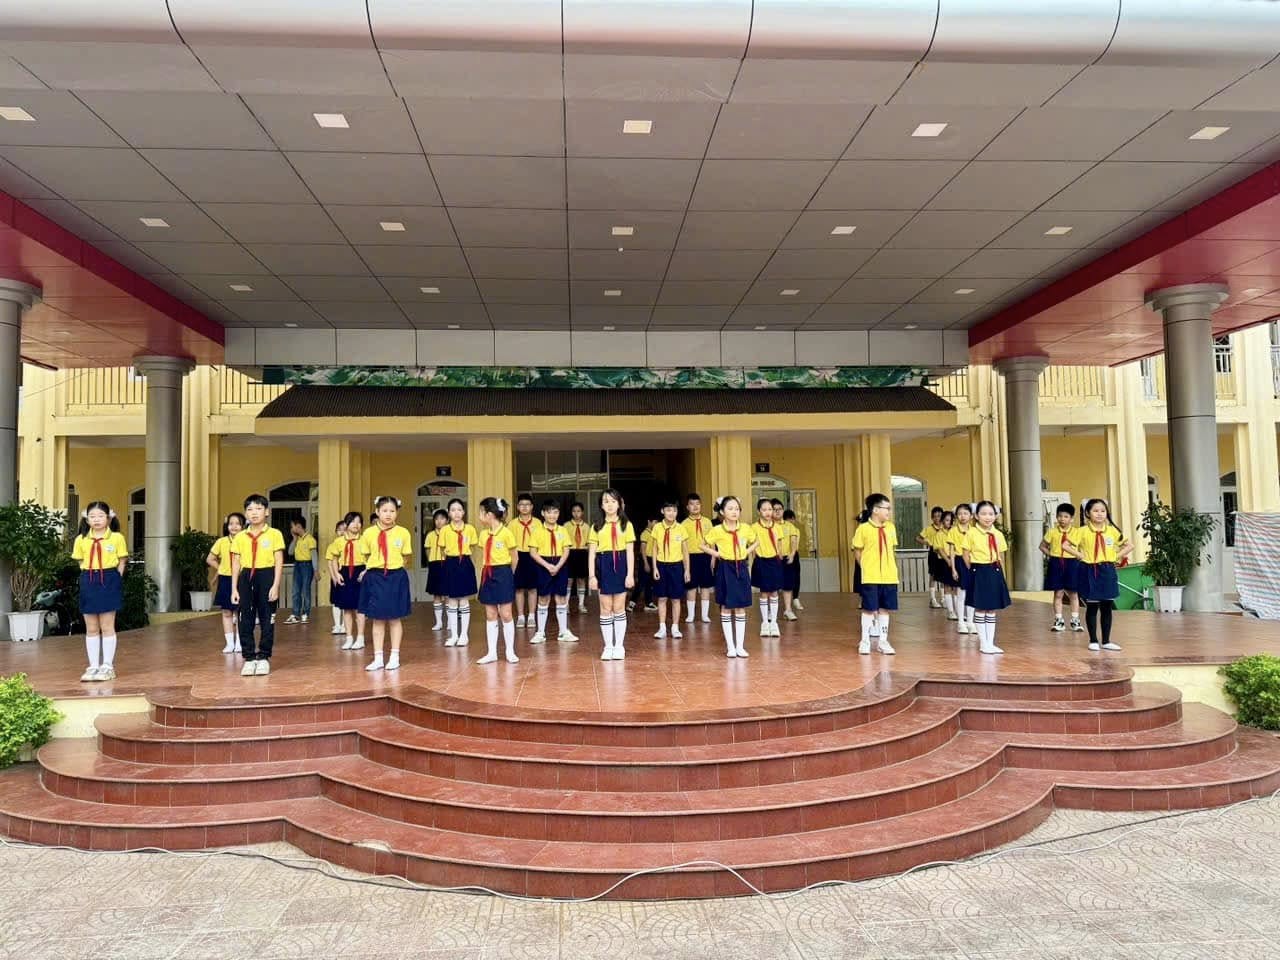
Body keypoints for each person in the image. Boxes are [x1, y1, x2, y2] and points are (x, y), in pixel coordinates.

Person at [230, 493, 285, 676]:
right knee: (244, 618)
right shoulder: (240, 537)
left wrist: (275, 585)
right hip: (246, 576)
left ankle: (263, 657)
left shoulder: (275, 534)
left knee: (267, 618)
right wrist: (234, 588)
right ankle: (249, 658)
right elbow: (235, 563)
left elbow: (279, 561)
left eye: (259, 508)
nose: (254, 513)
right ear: (246, 513)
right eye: (250, 509)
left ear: (266, 512)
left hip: (266, 575)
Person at [73, 501, 128, 682]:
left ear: (108, 518)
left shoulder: (117, 538)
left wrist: (117, 577)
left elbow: (122, 560)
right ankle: (93, 666)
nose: (96, 520)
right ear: (86, 519)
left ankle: (107, 666)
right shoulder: (81, 539)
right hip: (88, 579)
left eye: (100, 516)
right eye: (92, 516)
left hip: (109, 579)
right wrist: (89, 574)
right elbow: (80, 561)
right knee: (91, 627)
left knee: (107, 625)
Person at [359, 496, 413, 672]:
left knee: (394, 618)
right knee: (378, 618)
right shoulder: (368, 533)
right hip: (375, 577)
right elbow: (366, 555)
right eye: (384, 510)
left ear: (397, 513)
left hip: (395, 576)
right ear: (377, 512)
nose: (388, 514)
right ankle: (378, 658)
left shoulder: (403, 533)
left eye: (392, 511)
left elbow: (406, 556)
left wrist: (393, 567)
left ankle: (395, 656)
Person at [702, 495, 757, 658]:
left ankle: (740, 646)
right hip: (725, 568)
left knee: (740, 606)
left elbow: (756, 541)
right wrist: (717, 554)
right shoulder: (717, 530)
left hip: (741, 566)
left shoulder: (745, 528)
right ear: (722, 512)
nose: (734, 512)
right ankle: (730, 646)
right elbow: (702, 545)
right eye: (730, 508)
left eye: (737, 509)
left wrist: (746, 552)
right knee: (726, 606)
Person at [1077, 498, 1134, 652]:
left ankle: (1106, 641)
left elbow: (1129, 545)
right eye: (1095, 511)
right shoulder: (1081, 531)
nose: (1100, 514)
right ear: (1087, 513)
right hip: (1090, 569)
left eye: (1103, 511)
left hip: (1107, 570)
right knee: (1092, 606)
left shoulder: (1112, 531)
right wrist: (1080, 555)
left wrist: (1115, 556)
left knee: (1107, 606)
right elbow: (1066, 545)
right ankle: (1093, 640)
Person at [588, 488, 636, 661]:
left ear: (619, 504)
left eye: (613, 501)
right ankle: (608, 646)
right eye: (606, 501)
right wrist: (592, 575)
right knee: (605, 607)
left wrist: (630, 574)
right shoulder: (596, 526)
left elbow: (630, 552)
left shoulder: (627, 525)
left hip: (621, 565)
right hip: (603, 565)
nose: (610, 505)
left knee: (619, 607)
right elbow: (592, 553)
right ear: (601, 505)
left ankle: (619, 646)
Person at [850, 493, 897, 656]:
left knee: (885, 609)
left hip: (889, 576)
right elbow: (857, 551)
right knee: (869, 609)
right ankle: (865, 640)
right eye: (886, 508)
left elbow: (892, 549)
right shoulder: (863, 529)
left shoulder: (891, 528)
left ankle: (883, 641)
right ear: (875, 510)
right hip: (871, 576)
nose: (889, 512)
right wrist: (865, 567)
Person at [964, 501, 1011, 655]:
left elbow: (1001, 555)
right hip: (978, 569)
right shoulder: (971, 533)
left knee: (991, 608)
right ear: (976, 516)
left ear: (995, 516)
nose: (987, 517)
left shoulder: (998, 534)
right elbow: (965, 554)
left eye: (991, 514)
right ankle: (983, 643)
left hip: (994, 569)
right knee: (980, 606)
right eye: (983, 514)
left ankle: (990, 642)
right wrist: (974, 570)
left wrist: (1001, 574)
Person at [476, 496, 519, 664]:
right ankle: (492, 652)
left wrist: (509, 575)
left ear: (489, 515)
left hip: (503, 572)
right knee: (490, 613)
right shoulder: (483, 534)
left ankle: (510, 651)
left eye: (481, 512)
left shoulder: (507, 533)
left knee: (506, 613)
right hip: (488, 572)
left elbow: (515, 558)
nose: (479, 516)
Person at [530, 499, 576, 644]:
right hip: (543, 564)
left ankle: (563, 632)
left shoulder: (563, 530)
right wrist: (547, 566)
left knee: (561, 597)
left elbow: (566, 550)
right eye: (549, 512)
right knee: (543, 598)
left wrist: (557, 566)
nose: (552, 515)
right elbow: (533, 552)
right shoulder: (536, 531)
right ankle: (540, 632)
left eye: (555, 512)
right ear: (543, 513)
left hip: (560, 564)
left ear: (559, 514)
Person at [1040, 503, 1084, 634]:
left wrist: (1080, 556)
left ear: (1072, 519)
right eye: (1060, 516)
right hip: (1056, 563)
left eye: (1066, 516)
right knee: (1058, 593)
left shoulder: (1076, 532)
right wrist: (1052, 555)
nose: (1062, 519)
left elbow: (1082, 547)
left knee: (1073, 593)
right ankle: (1059, 620)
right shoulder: (1052, 532)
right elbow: (1042, 546)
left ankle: (1075, 620)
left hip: (1072, 563)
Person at [441, 498, 479, 647]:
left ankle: (464, 635)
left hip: (465, 563)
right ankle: (454, 635)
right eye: (453, 510)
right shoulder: (445, 530)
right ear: (449, 513)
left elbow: (473, 547)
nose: (456, 513)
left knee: (463, 599)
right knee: (451, 599)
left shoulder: (470, 529)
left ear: (463, 512)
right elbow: (442, 548)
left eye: (459, 510)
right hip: (450, 563)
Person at [650, 500, 689, 640]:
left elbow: (685, 551)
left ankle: (675, 627)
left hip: (676, 566)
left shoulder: (681, 528)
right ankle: (661, 628)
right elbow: (654, 549)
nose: (671, 513)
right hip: (661, 565)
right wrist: (655, 567)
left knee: (676, 598)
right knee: (662, 598)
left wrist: (687, 570)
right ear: (662, 511)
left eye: (674, 511)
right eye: (668, 510)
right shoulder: (657, 528)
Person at [207, 512, 245, 654]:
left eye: (237, 524)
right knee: (226, 611)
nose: (234, 526)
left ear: (243, 526)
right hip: (225, 579)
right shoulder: (221, 542)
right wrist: (221, 568)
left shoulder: (246, 540)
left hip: (241, 578)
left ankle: (240, 643)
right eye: (231, 523)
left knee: (240, 611)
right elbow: (210, 559)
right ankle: (230, 644)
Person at [327, 512, 366, 650]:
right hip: (345, 572)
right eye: (353, 521)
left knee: (360, 608)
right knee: (347, 608)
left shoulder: (365, 540)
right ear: (346, 524)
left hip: (360, 572)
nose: (356, 525)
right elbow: (333, 557)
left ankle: (360, 638)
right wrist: (336, 573)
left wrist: (366, 571)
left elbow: (372, 557)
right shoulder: (339, 541)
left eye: (359, 522)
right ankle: (349, 638)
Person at [507, 493, 543, 628]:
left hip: (533, 555)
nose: (524, 507)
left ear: (532, 507)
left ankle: (532, 616)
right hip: (517, 556)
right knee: (519, 588)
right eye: (522, 504)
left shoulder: (538, 523)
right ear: (517, 507)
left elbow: (541, 541)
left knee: (533, 588)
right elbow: (509, 544)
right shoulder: (512, 524)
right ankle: (521, 616)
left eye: (527, 504)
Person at [750, 498, 785, 637]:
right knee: (764, 592)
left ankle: (774, 623)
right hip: (761, 561)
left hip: (774, 561)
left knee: (774, 592)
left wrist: (780, 556)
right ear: (759, 511)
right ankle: (764, 623)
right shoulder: (754, 527)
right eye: (764, 510)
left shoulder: (777, 527)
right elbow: (752, 544)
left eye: (770, 509)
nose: (768, 512)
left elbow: (780, 544)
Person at [681, 493, 715, 624]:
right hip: (690, 557)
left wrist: (713, 557)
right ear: (687, 507)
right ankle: (691, 615)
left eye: (697, 504)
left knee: (705, 586)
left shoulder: (707, 522)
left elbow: (712, 541)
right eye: (692, 504)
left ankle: (705, 615)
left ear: (701, 505)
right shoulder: (683, 524)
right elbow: (682, 545)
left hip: (706, 556)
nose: (695, 506)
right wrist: (685, 564)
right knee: (691, 587)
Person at [946, 503, 976, 636]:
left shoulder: (974, 531)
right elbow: (952, 552)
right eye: (959, 514)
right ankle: (961, 623)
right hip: (959, 562)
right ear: (956, 516)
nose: (962, 516)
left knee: (971, 593)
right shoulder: (953, 531)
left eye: (965, 513)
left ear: (971, 516)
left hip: (972, 561)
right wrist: (953, 569)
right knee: (961, 593)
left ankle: (970, 622)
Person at [284, 517, 317, 625]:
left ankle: (305, 613)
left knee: (305, 590)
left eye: (292, 526)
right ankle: (295, 614)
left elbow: (314, 556)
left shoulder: (310, 539)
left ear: (298, 526)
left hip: (307, 565)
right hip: (297, 565)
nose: (291, 528)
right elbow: (290, 552)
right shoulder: (297, 539)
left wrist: (316, 570)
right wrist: (294, 539)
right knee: (295, 591)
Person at [918, 506, 947, 610]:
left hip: (943, 553)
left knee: (944, 576)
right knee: (933, 575)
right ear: (932, 517)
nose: (937, 518)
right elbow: (918, 538)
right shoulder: (928, 529)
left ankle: (943, 599)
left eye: (939, 516)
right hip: (933, 553)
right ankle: (933, 599)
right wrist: (927, 543)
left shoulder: (945, 528)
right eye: (935, 516)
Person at [775, 500, 800, 620]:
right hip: (772, 559)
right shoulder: (769, 526)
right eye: (774, 509)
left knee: (787, 586)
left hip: (786, 558)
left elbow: (793, 540)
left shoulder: (789, 526)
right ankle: (770, 611)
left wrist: (792, 554)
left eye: (780, 509)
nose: (777, 511)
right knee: (771, 587)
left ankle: (788, 610)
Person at [424, 508, 449, 631]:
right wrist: (431, 560)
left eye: (442, 518)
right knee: (436, 594)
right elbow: (427, 549)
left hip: (447, 564)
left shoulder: (450, 533)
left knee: (448, 594)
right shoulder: (430, 535)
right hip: (434, 565)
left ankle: (450, 622)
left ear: (447, 520)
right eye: (437, 519)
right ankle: (438, 622)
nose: (439, 521)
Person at [565, 501, 591, 611]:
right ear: (571, 512)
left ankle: (581, 604)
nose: (576, 513)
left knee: (581, 580)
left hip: (582, 553)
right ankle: (566, 605)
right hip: (570, 553)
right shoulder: (566, 526)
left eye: (579, 511)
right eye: (574, 511)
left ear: (582, 512)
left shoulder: (587, 526)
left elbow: (589, 543)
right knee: (569, 580)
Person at [632, 517, 657, 612]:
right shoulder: (645, 533)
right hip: (645, 559)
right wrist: (646, 563)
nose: (656, 524)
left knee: (650, 583)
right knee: (641, 582)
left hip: (652, 559)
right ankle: (632, 602)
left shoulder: (654, 533)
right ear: (649, 521)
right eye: (654, 521)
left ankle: (649, 603)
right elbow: (643, 549)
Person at [327, 519, 348, 636]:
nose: (342, 532)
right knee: (335, 602)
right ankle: (337, 625)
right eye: (339, 530)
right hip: (336, 575)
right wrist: (333, 576)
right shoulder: (332, 545)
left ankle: (345, 625)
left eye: (344, 530)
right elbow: (330, 562)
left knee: (345, 601)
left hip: (346, 575)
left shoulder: (349, 544)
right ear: (336, 531)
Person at [783, 507, 804, 612]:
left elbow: (795, 543)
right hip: (783, 555)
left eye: (791, 519)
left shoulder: (796, 530)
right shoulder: (782, 529)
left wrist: (792, 554)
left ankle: (795, 598)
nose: (790, 522)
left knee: (796, 577)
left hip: (794, 554)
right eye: (788, 520)